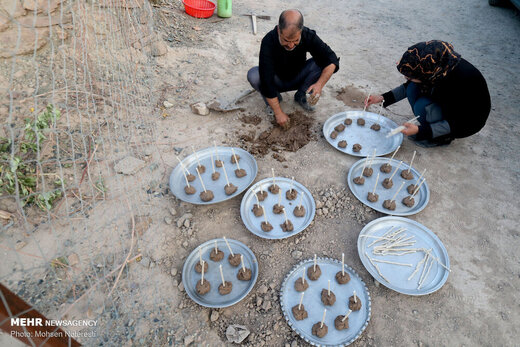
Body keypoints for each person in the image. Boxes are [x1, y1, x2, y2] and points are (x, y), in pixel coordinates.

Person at [366, 40, 491, 147]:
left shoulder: (456, 84)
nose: (406, 78)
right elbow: (408, 87)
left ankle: (441, 138)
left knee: (422, 106)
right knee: (412, 88)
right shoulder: (438, 66)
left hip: (466, 122)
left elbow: (456, 123)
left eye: (409, 76)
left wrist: (421, 131)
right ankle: (430, 125)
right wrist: (382, 98)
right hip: (448, 104)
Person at [247, 9, 340, 127]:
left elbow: (331, 59)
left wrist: (319, 85)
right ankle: (275, 100)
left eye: (295, 40)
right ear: (278, 30)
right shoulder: (268, 41)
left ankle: (301, 95)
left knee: (322, 63)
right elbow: (266, 80)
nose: (291, 45)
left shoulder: (308, 35)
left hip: (299, 76)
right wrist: (279, 113)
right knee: (254, 75)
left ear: (300, 31)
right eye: (286, 40)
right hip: (277, 80)